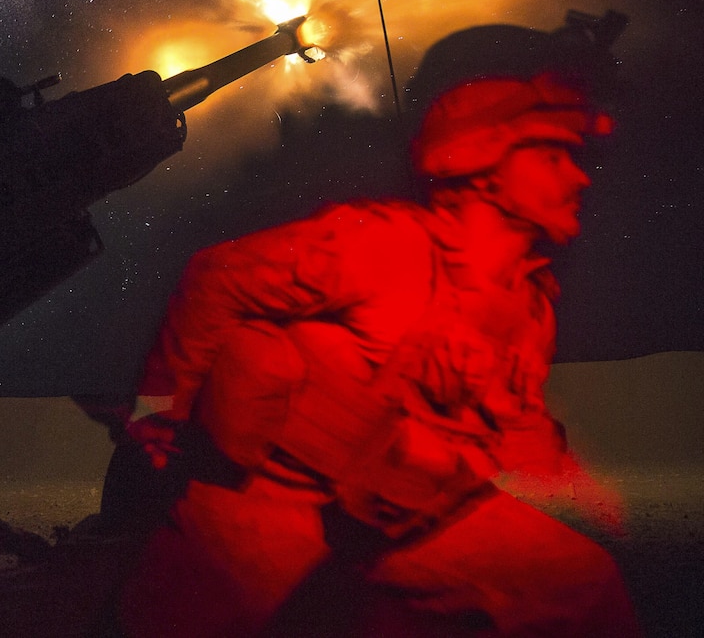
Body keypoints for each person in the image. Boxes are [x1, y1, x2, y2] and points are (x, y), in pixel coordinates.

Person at [116, 72, 641, 637]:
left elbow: (514, 426)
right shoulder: (382, 245)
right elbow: (215, 278)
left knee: (585, 584)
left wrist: (581, 491)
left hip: (401, 527)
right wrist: (156, 411)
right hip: (266, 515)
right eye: (553, 158)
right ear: (483, 160)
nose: (579, 177)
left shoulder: (529, 309)